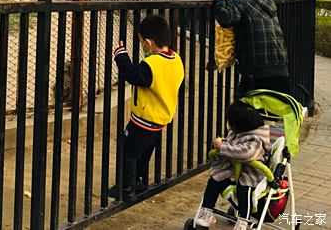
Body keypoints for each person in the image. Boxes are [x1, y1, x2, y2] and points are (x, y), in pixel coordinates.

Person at [108, 14, 184, 200]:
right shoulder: (176, 59)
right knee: (144, 152)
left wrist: (121, 56)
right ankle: (139, 181)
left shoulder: (151, 64)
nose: (142, 46)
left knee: (129, 153)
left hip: (143, 120)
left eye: (142, 42)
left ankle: (126, 188)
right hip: (159, 120)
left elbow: (133, 76)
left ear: (148, 43)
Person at [213, 0, 290, 95]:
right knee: (274, 113)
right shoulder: (268, 2)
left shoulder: (240, 0)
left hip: (257, 74)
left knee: (246, 113)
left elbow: (226, 18)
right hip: (282, 71)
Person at [194, 101, 271, 230]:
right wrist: (222, 143)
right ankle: (206, 211)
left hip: (249, 171)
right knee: (214, 180)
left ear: (239, 125)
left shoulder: (256, 139)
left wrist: (223, 147)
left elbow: (246, 153)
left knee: (244, 190)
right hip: (231, 168)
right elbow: (231, 143)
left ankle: (243, 220)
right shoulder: (236, 131)